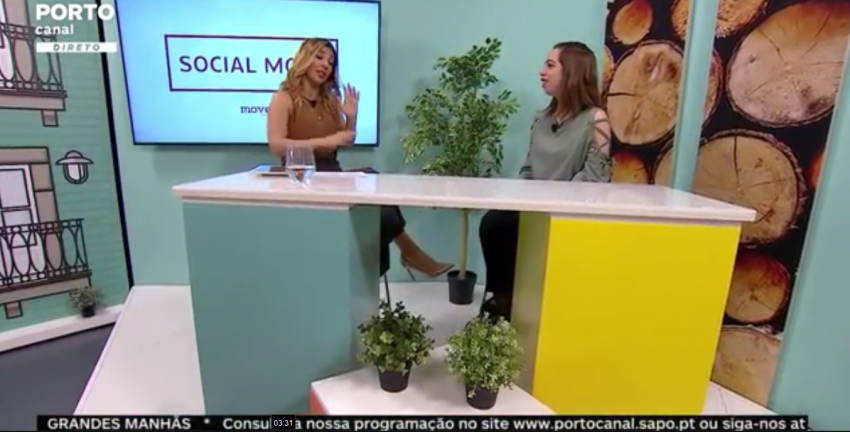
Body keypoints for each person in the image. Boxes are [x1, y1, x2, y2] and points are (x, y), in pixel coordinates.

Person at [266, 38, 453, 279]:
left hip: (331, 173)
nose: (325, 65)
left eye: (330, 62)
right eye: (319, 57)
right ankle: (407, 252)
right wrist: (326, 142)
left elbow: (344, 141)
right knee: (373, 206)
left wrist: (351, 118)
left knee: (372, 181)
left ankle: (391, 261)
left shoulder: (330, 100)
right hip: (301, 178)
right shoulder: (284, 98)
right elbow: (277, 145)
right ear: (304, 59)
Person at [479, 41, 613, 321]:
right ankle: (502, 298)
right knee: (493, 222)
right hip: (534, 206)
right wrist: (524, 197)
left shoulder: (596, 121)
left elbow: (593, 180)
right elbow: (528, 169)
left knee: (508, 228)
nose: (542, 72)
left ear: (572, 72)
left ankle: (508, 303)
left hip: (569, 211)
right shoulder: (541, 120)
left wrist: (549, 204)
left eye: (550, 65)